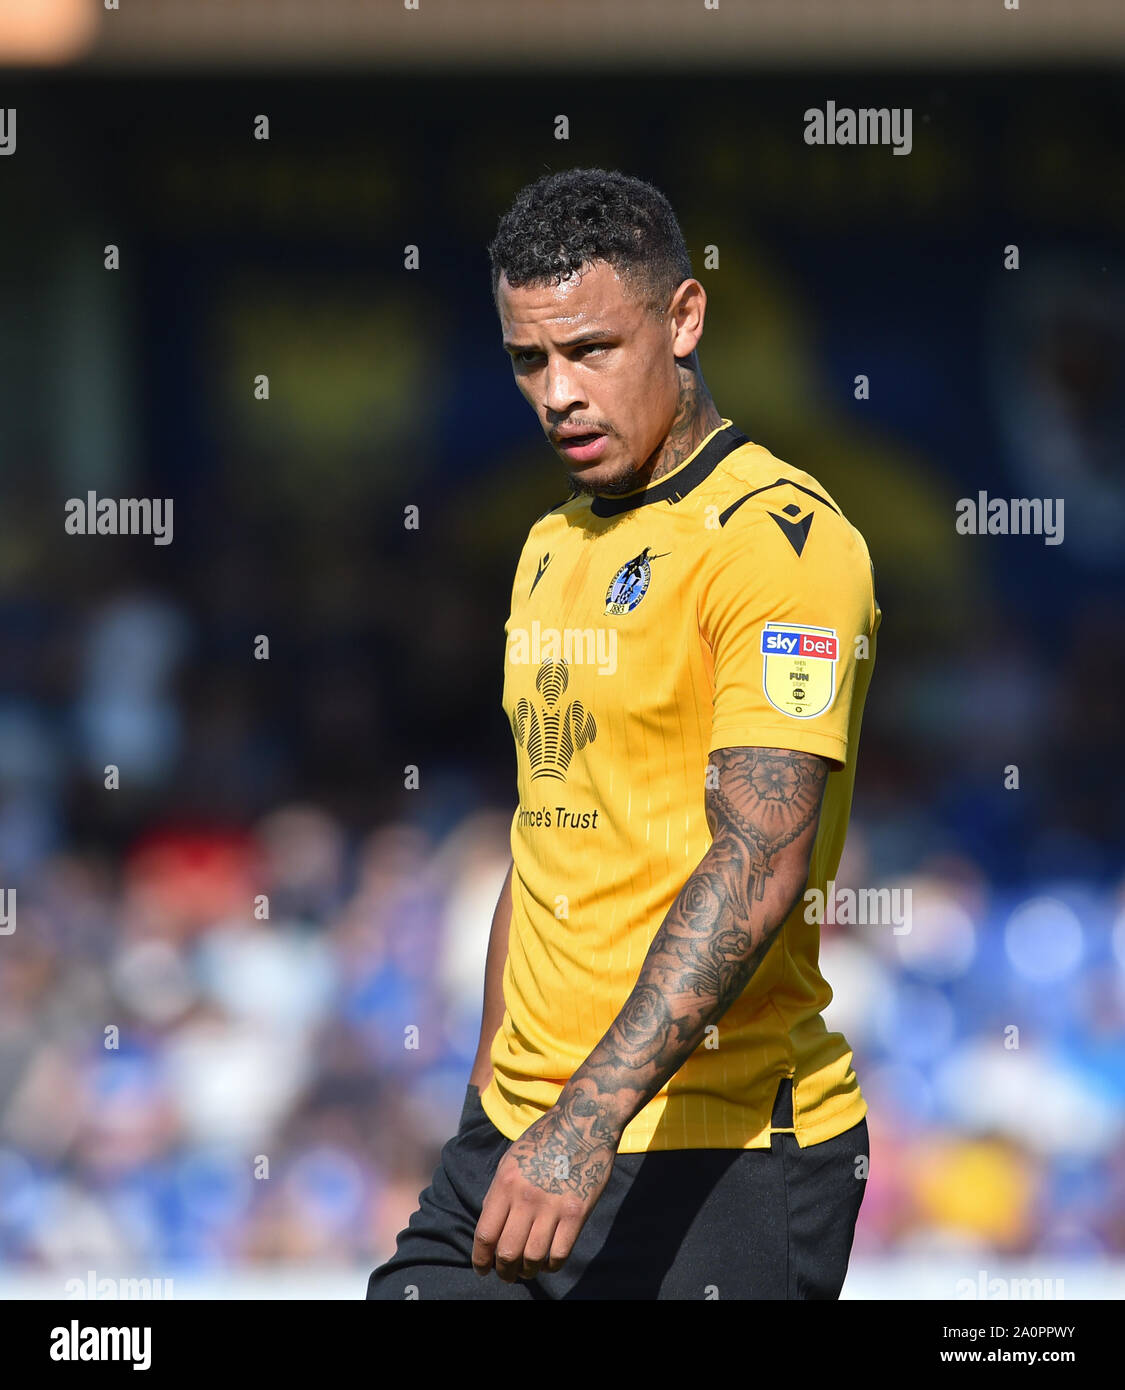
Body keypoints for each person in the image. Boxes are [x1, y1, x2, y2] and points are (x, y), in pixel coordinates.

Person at [367, 167, 881, 1300]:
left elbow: (759, 859)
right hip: (518, 1135)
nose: (558, 392)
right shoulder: (549, 540)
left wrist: (580, 1125)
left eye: (591, 349)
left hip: (715, 1158)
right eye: (528, 360)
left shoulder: (779, 545)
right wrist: (495, 1103)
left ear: (684, 318)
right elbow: (547, 828)